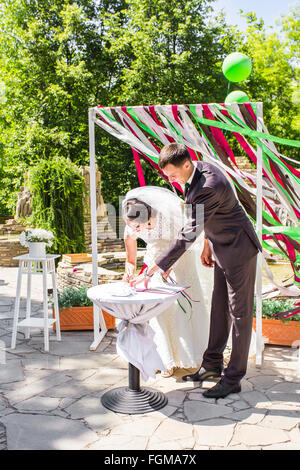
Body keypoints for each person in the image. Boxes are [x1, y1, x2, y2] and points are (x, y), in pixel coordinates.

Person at [137, 143, 262, 399]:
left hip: (238, 249)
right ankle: (211, 365)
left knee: (239, 315)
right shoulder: (199, 169)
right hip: (220, 247)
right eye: (167, 176)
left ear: (186, 164)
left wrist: (158, 265)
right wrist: (208, 244)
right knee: (219, 308)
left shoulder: (207, 186)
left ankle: (233, 378)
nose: (171, 180)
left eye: (173, 175)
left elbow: (188, 233)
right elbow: (211, 216)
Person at [122, 186, 214, 377]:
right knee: (158, 311)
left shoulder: (172, 215)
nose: (135, 231)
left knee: (186, 306)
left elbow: (187, 240)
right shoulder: (131, 222)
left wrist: (165, 268)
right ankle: (165, 359)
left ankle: (194, 354)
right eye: (133, 227)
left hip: (181, 259)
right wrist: (129, 272)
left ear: (151, 217)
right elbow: (130, 259)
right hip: (153, 263)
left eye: (140, 227)